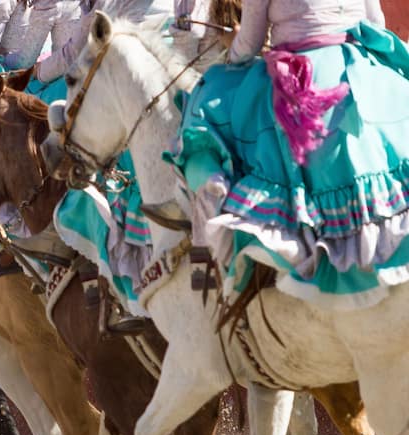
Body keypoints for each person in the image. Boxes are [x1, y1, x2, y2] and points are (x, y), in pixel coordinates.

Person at [164, 0, 407, 309]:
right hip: (356, 67)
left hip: (302, 74)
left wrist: (230, 54)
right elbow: (376, 24)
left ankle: (211, 210)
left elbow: (248, 45)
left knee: (206, 97)